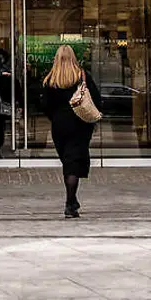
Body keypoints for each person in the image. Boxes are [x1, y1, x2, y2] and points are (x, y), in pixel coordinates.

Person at [39, 45, 100, 218]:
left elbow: (44, 105)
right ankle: (70, 202)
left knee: (68, 161)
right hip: (80, 124)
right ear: (73, 57)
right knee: (73, 162)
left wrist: (55, 117)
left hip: (59, 125)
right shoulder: (81, 76)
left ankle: (72, 202)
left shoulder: (51, 80)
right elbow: (96, 99)